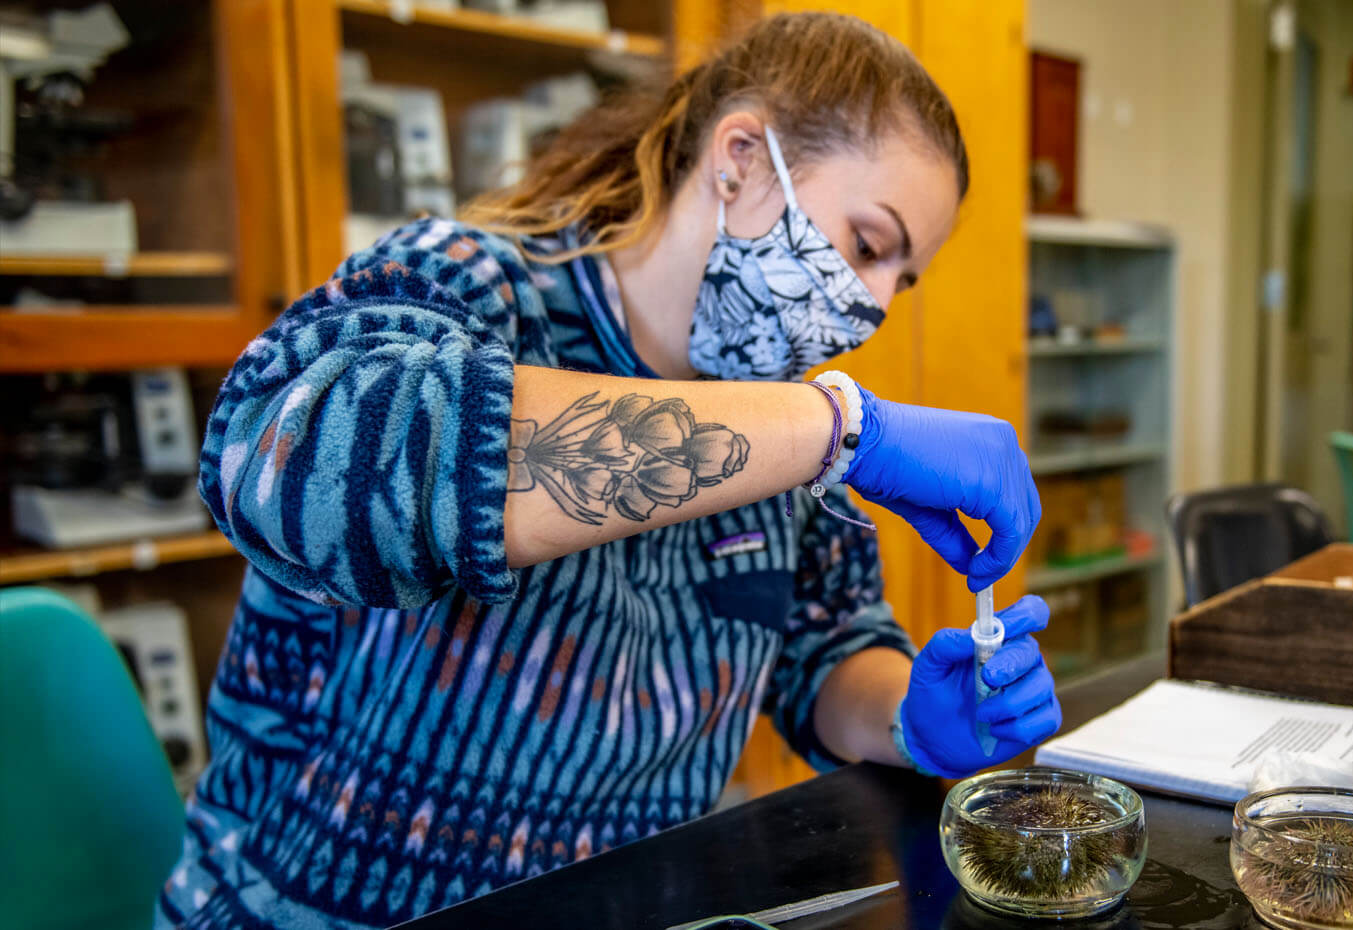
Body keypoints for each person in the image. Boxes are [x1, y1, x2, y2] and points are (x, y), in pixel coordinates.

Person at [160, 12, 1058, 929]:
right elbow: (293, 468)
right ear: (740, 156)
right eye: (870, 246)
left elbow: (822, 643)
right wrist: (834, 430)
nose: (872, 306)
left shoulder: (780, 405)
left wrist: (912, 714)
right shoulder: (474, 284)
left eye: (902, 280)